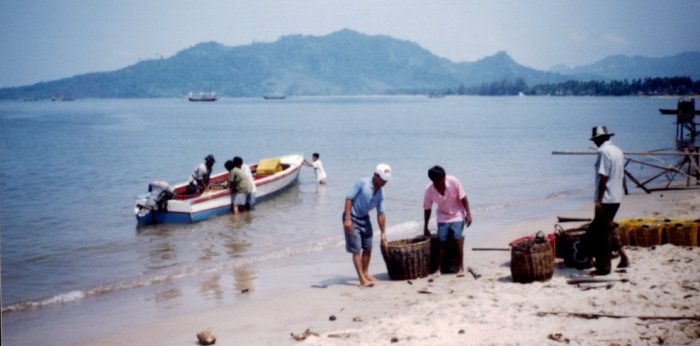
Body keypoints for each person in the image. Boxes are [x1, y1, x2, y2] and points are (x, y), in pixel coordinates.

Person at [587, 126, 630, 275]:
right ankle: (623, 256)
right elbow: (621, 175)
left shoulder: (603, 152)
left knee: (601, 235)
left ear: (599, 140)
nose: (595, 144)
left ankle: (604, 268)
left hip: (606, 198)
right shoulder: (618, 151)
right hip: (616, 196)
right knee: (608, 229)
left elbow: (604, 176)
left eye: (595, 140)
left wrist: (599, 200)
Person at [343, 163, 391, 287]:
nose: (385, 183)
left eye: (386, 180)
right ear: (375, 175)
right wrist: (347, 219)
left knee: (368, 247)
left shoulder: (381, 193)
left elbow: (381, 214)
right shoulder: (362, 183)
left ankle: (365, 273)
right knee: (356, 249)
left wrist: (383, 233)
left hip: (364, 218)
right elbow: (349, 199)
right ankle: (361, 279)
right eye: (383, 180)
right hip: (352, 217)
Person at [422, 165, 472, 277]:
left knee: (457, 238)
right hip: (442, 215)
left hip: (457, 214)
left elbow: (463, 197)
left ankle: (461, 268)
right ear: (433, 181)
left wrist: (468, 213)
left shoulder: (453, 181)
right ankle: (438, 269)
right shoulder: (429, 190)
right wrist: (425, 226)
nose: (442, 182)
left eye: (443, 178)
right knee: (441, 241)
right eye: (439, 180)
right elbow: (427, 208)